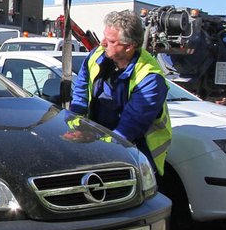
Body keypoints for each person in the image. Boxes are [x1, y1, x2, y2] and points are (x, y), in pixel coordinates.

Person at [68, 10, 172, 176]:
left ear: (129, 46)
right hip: (99, 143)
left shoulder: (149, 79)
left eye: (110, 41)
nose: (102, 43)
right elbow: (80, 95)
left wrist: (95, 143)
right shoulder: (96, 55)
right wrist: (74, 126)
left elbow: (128, 129)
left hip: (137, 154)